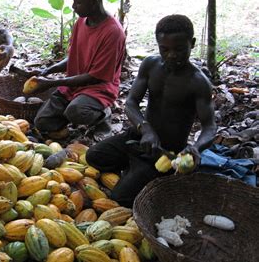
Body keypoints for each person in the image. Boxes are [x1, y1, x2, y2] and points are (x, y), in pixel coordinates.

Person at [86, 14, 217, 207]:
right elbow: (131, 102)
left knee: (120, 199)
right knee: (93, 156)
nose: (171, 55)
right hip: (139, 138)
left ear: (193, 43)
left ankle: (142, 173)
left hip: (165, 152)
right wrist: (145, 129)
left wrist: (196, 148)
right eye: (164, 49)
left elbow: (210, 127)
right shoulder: (150, 65)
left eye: (179, 49)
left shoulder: (198, 83)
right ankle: (134, 168)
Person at [31, 0, 126, 138]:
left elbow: (96, 77)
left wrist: (51, 83)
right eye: (73, 1)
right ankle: (69, 116)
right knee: (41, 122)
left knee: (76, 111)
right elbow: (74, 56)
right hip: (74, 86)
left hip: (99, 89)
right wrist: (48, 70)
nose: (74, 7)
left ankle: (103, 115)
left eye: (78, 3)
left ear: (94, 2)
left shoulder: (112, 32)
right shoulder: (81, 22)